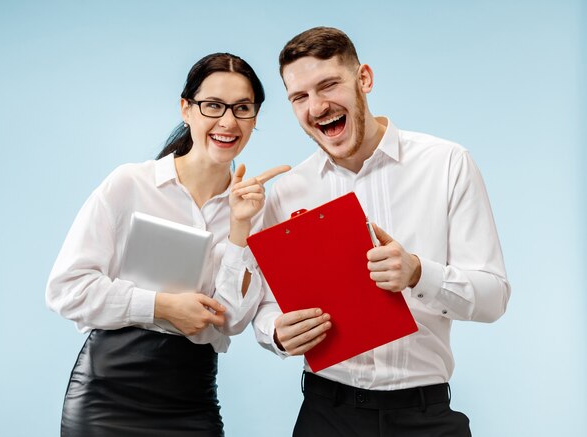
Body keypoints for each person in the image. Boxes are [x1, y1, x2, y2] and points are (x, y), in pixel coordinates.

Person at [251, 27, 511, 437]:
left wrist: (417, 273)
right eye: (299, 97)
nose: (316, 106)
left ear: (364, 79)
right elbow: (264, 305)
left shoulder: (446, 164)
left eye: (328, 85)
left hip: (423, 414)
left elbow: (494, 297)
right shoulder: (287, 192)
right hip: (325, 413)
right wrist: (276, 333)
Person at [46, 52, 289, 437]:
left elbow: (233, 321)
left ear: (255, 117)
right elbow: (66, 289)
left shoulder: (255, 209)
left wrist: (240, 228)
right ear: (186, 108)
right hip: (107, 396)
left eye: (242, 108)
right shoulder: (130, 184)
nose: (228, 122)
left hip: (191, 398)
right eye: (213, 106)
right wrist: (161, 306)